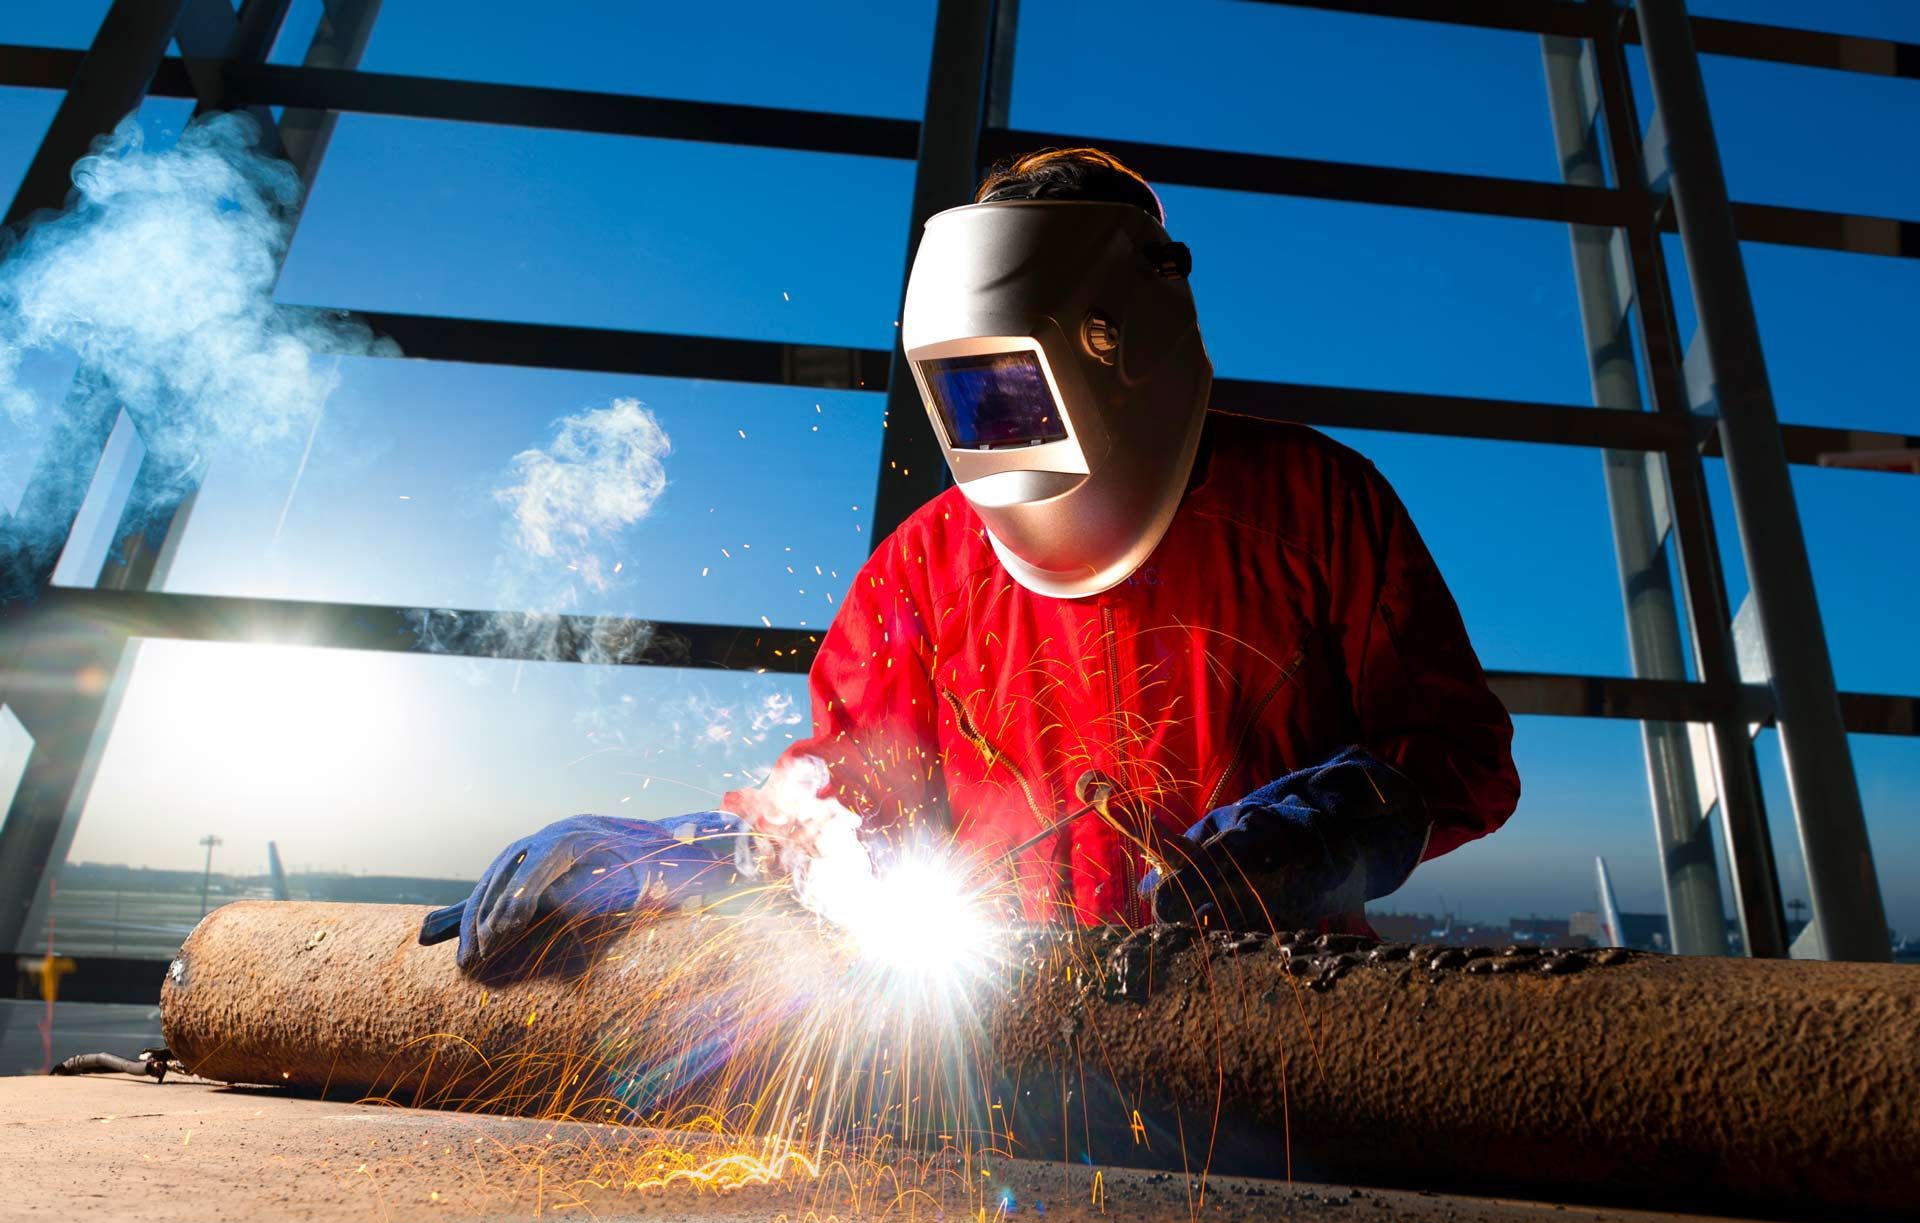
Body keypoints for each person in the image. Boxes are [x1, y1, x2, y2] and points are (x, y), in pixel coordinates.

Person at [422, 148, 1520, 972]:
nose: (1000, 427)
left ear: (1125, 340)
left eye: (1018, 381)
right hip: (1005, 1015)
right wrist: (693, 853)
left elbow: (1459, 749)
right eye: (971, 391)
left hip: (1282, 1007)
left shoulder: (1318, 502)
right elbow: (853, 802)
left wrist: (1339, 822)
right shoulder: (923, 566)